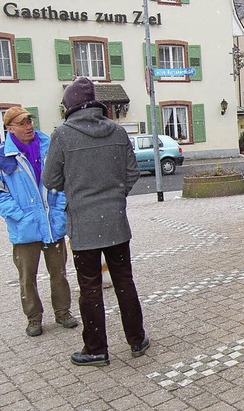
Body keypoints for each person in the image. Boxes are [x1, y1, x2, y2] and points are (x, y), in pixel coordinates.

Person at [42, 77, 148, 366]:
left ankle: (96, 349)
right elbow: (132, 173)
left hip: (83, 224)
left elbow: (50, 179)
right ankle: (137, 340)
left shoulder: (62, 135)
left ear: (70, 106)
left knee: (89, 287)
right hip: (115, 221)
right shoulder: (117, 131)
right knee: (124, 280)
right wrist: (115, 197)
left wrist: (77, 191)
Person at [0, 107, 78, 337]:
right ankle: (34, 318)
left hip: (52, 224)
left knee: (59, 272)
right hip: (25, 228)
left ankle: (63, 312)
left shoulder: (49, 147)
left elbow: (64, 179)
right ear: (10, 128)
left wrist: (58, 207)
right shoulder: (4, 155)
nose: (28, 126)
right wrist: (19, 215)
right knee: (27, 277)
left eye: (29, 121)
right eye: (22, 123)